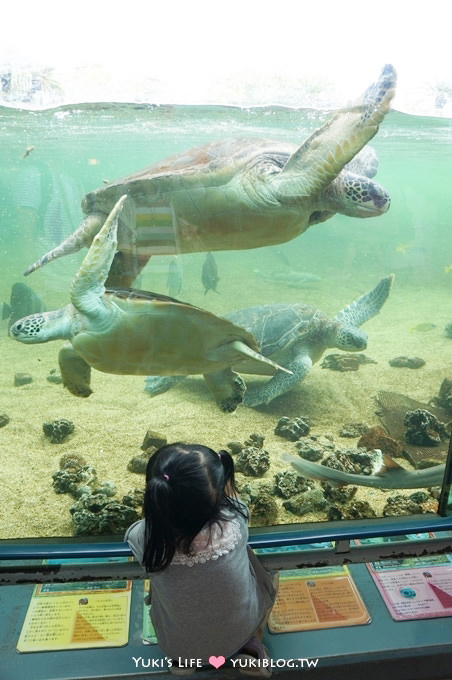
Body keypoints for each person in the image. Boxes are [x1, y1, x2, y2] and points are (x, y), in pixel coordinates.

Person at [125, 443, 278, 678]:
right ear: (216, 495)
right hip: (238, 630)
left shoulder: (143, 538)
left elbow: (141, 526)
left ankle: (184, 662)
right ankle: (250, 648)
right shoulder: (236, 521)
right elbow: (236, 504)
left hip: (177, 643)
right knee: (270, 577)